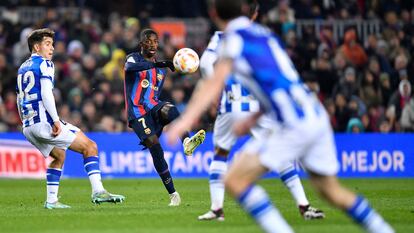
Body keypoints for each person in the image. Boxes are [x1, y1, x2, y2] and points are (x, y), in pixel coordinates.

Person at [167, 1, 394, 232]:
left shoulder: (230, 38)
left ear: (213, 13)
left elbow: (214, 80)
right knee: (332, 192)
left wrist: (184, 121)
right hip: (313, 113)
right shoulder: (265, 35)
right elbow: (279, 82)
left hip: (292, 124)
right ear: (250, 12)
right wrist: (254, 117)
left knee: (235, 179)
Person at [197, 1, 324, 221]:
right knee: (279, 153)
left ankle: (217, 209)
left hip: (231, 102)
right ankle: (304, 205)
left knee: (221, 153)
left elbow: (205, 63)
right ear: (254, 14)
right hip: (258, 105)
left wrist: (216, 88)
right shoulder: (262, 34)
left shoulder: (222, 36)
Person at [16, 28, 125, 209]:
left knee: (58, 155)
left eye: (52, 44)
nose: (52, 48)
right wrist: (55, 120)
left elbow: (20, 98)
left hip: (28, 127)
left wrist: (25, 123)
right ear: (36, 47)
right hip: (44, 123)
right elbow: (46, 94)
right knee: (90, 146)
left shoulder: (22, 67)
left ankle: (51, 201)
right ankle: (98, 191)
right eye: (47, 44)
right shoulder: (45, 64)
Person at [123, 28, 206, 206]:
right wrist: (158, 64)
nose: (152, 44)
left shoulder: (161, 71)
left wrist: (162, 65)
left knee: (171, 109)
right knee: (155, 147)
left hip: (153, 105)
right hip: (137, 113)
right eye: (148, 41)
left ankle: (187, 142)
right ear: (141, 44)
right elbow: (130, 68)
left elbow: (154, 92)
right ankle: (173, 194)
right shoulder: (133, 58)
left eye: (155, 41)